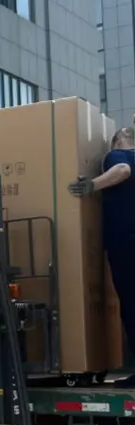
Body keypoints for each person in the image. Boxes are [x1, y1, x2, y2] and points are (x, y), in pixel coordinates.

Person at [69, 126, 135, 351]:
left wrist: (91, 185)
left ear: (117, 140)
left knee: (131, 304)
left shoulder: (118, 154)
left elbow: (123, 169)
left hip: (127, 241)